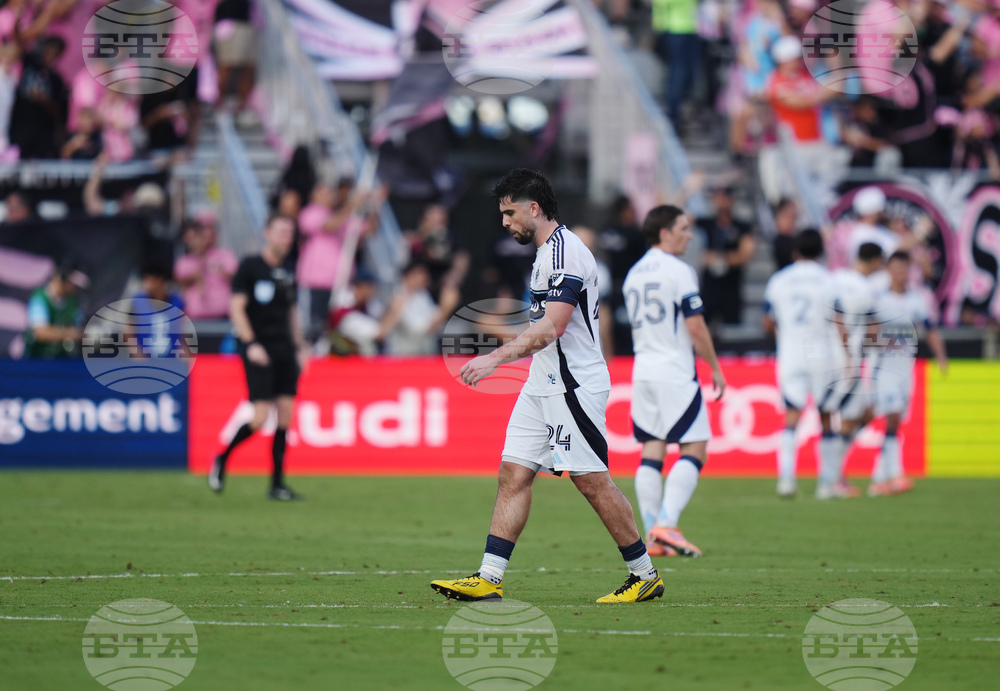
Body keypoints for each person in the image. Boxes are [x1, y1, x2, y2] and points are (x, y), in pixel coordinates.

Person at [430, 169, 664, 604]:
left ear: (533, 209)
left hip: (572, 385)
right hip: (543, 382)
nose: (504, 222)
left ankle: (644, 573)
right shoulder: (545, 254)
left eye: (509, 212)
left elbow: (553, 327)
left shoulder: (564, 254)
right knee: (513, 472)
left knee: (591, 480)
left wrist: (495, 358)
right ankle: (488, 576)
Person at [625, 205, 726, 558]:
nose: (690, 234)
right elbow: (695, 326)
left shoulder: (633, 273)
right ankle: (666, 524)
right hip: (675, 369)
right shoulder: (679, 271)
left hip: (644, 370)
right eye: (683, 228)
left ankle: (653, 536)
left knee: (652, 449)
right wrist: (714, 366)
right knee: (695, 448)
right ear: (665, 233)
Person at [209, 214, 309, 501]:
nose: (285, 238)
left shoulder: (289, 269)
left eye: (290, 233)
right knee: (260, 417)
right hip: (259, 350)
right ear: (267, 234)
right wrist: (250, 343)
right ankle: (222, 458)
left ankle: (277, 485)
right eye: (281, 232)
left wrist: (300, 345)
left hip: (284, 349)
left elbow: (292, 311)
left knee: (286, 415)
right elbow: (236, 309)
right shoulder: (250, 267)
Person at [762, 230, 848, 498]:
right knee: (826, 416)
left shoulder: (779, 280)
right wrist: (848, 356)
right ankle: (826, 483)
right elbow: (840, 321)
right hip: (822, 354)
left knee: (791, 415)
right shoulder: (828, 280)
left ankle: (786, 479)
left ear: (795, 251)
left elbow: (767, 320)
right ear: (820, 251)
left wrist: (783, 333)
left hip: (791, 353)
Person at [868, 251, 948, 497]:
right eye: (896, 268)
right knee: (891, 418)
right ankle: (896, 474)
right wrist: (887, 341)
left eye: (904, 268)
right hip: (884, 369)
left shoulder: (916, 300)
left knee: (895, 422)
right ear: (889, 270)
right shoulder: (879, 300)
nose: (900, 273)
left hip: (906, 369)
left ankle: (878, 479)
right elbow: (869, 336)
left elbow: (930, 330)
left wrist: (941, 356)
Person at [825, 242, 885, 499]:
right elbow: (873, 330)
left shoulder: (834, 278)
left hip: (825, 355)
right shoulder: (866, 287)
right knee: (854, 417)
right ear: (874, 261)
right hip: (849, 359)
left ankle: (833, 474)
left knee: (856, 414)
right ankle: (833, 478)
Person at [698, 187, 756, 326]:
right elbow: (675, 219)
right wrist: (687, 190)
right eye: (718, 199)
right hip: (709, 290)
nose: (721, 202)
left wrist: (719, 258)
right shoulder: (707, 223)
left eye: (725, 198)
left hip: (731, 290)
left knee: (732, 334)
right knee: (703, 327)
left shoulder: (742, 226)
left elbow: (745, 255)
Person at [174, 216, 238, 321]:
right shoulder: (185, 261)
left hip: (224, 317)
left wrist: (218, 269)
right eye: (202, 231)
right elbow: (181, 281)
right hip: (194, 319)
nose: (207, 234)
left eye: (211, 228)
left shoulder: (226, 255)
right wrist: (200, 258)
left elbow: (235, 276)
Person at [23, 261, 86, 358]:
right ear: (61, 280)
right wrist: (71, 333)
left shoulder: (72, 301)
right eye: (72, 284)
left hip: (62, 362)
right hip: (37, 361)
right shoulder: (40, 298)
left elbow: (79, 327)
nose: (74, 288)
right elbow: (41, 332)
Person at [771, 198, 798, 271]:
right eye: (788, 216)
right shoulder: (778, 242)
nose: (791, 221)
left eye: (794, 217)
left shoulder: (796, 240)